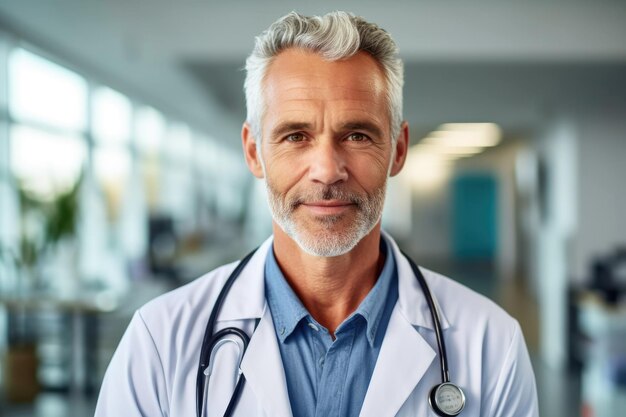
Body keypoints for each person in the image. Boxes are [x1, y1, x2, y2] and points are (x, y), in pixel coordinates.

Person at [95, 11, 538, 417]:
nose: (327, 171)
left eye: (358, 135)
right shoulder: (159, 342)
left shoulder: (490, 345)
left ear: (398, 150)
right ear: (254, 152)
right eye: (295, 136)